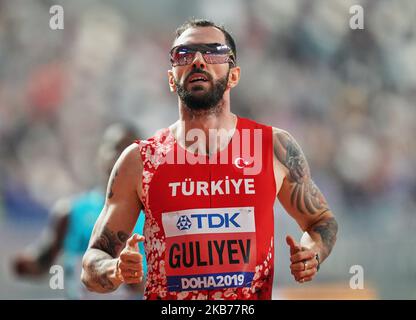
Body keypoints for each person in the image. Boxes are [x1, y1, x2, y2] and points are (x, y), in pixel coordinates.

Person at [81, 19, 338, 300]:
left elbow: (321, 221)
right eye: (184, 54)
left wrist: (312, 253)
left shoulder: (273, 147)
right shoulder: (140, 160)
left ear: (234, 75)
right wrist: (115, 270)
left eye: (213, 52)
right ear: (171, 78)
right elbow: (92, 262)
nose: (198, 61)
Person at [13, 123, 147, 299]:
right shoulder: (71, 212)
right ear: (99, 154)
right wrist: (27, 264)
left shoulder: (151, 215)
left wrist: (131, 278)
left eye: (128, 150)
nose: (121, 157)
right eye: (115, 148)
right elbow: (44, 259)